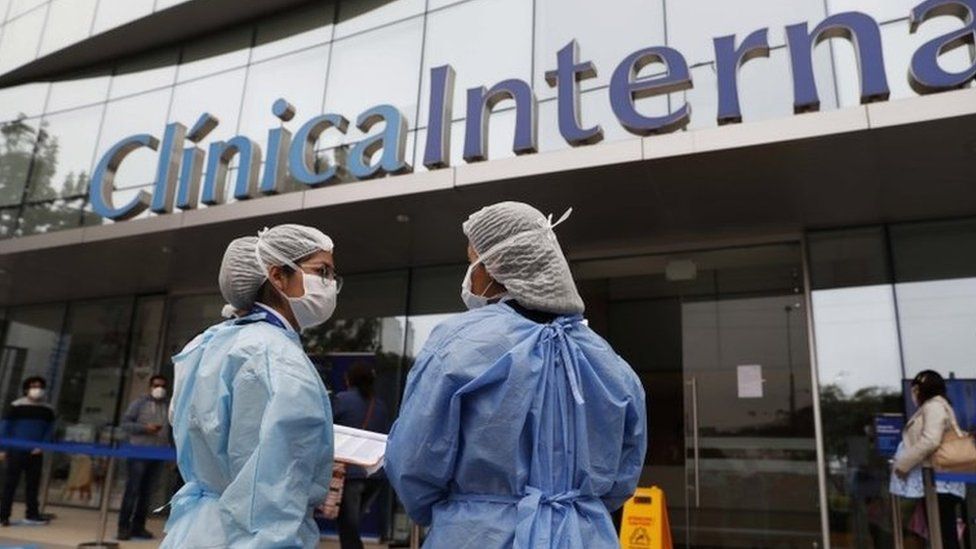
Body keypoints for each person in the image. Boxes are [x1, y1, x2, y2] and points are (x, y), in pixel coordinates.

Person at [385, 202, 648, 548]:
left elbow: (415, 463)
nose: (470, 276)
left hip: (479, 536)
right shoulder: (608, 361)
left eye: (472, 263)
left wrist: (467, 514)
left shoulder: (457, 344)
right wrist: (575, 510)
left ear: (494, 267)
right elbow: (624, 475)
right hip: (585, 536)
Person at [161, 224, 339, 548]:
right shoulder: (278, 357)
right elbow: (271, 489)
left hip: (197, 530)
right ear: (277, 276)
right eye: (321, 271)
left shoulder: (207, 343)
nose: (330, 285)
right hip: (247, 536)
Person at [894, 370, 970, 549]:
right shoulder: (937, 406)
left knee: (943, 534)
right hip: (941, 482)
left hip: (939, 483)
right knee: (943, 533)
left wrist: (902, 464)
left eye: (914, 390)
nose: (913, 395)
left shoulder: (933, 407)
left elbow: (930, 440)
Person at [333, 362, 390, 549]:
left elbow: (325, 428)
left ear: (349, 380)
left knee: (348, 525)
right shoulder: (380, 405)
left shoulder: (342, 400)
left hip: (351, 473)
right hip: (375, 474)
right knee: (353, 523)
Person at [117, 375, 171, 541]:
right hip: (139, 452)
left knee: (147, 492)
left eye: (162, 385)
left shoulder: (168, 405)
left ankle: (138, 526)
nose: (159, 388)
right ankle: (123, 527)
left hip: (158, 453)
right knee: (132, 490)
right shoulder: (139, 403)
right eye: (156, 385)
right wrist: (144, 428)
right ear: (150, 386)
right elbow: (125, 424)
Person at [0, 376, 55, 527]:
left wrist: (42, 446)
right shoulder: (16, 406)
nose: (37, 389)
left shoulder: (48, 409)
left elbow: (49, 430)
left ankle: (32, 514)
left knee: (33, 484)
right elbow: (5, 427)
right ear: (26, 389)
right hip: (16, 449)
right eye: (33, 386)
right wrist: (3, 448)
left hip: (35, 452)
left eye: (39, 386)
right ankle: (3, 515)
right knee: (10, 484)